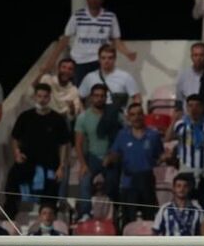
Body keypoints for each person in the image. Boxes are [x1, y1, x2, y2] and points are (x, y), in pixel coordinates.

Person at [9, 84, 70, 211]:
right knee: (12, 184)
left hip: (50, 164)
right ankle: (10, 215)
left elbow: (64, 144)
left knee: (51, 194)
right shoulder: (25, 116)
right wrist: (17, 153)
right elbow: (15, 137)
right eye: (39, 96)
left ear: (49, 98)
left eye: (45, 97)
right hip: (27, 161)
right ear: (35, 97)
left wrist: (61, 166)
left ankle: (49, 218)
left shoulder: (57, 119)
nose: (42, 99)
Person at [62, 0, 136, 84]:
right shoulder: (77, 15)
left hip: (99, 61)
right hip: (79, 61)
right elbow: (66, 37)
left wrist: (127, 52)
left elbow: (116, 39)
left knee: (100, 92)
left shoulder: (110, 16)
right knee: (80, 93)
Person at [107, 102, 163, 226]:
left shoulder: (153, 135)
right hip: (129, 183)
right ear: (128, 117)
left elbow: (160, 156)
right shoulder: (122, 135)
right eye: (133, 115)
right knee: (129, 220)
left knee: (149, 219)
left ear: (144, 115)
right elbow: (114, 154)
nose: (136, 117)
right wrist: (110, 158)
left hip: (147, 182)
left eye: (139, 114)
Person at [166, 95, 204, 211]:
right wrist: (173, 121)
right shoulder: (181, 124)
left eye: (197, 106)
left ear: (202, 108)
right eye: (190, 106)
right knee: (185, 206)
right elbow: (168, 138)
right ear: (187, 108)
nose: (193, 109)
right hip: (187, 171)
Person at [75, 84, 116, 221]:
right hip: (92, 158)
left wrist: (113, 156)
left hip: (111, 157)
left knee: (114, 182)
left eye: (102, 96)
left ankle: (114, 215)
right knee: (85, 180)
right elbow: (78, 143)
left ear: (106, 98)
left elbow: (122, 136)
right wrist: (82, 164)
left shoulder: (114, 114)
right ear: (91, 98)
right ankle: (85, 213)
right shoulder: (83, 117)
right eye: (96, 96)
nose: (99, 98)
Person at [174, 43, 204, 113]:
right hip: (187, 118)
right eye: (195, 55)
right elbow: (179, 101)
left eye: (201, 55)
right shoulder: (183, 76)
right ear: (191, 57)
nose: (198, 58)